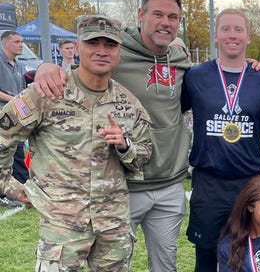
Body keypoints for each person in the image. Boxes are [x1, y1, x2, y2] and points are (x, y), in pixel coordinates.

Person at [34, 0, 191, 271]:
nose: (165, 22)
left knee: (165, 265)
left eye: (173, 17)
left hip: (169, 183)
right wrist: (46, 65)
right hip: (120, 187)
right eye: (157, 14)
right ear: (141, 14)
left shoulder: (180, 60)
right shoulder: (115, 50)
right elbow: (84, 63)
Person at [0, 14, 153, 271]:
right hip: (62, 228)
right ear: (78, 46)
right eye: (93, 43)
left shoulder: (128, 103)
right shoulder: (47, 93)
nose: (102, 51)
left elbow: (145, 152)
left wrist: (125, 146)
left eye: (110, 45)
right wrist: (13, 188)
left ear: (119, 52)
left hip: (112, 226)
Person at [182, 8, 260, 272]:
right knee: (206, 257)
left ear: (248, 37)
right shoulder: (195, 76)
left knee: (246, 258)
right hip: (208, 182)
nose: (231, 35)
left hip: (248, 183)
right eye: (226, 29)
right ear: (215, 36)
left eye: (238, 29)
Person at [0, 31, 28, 186]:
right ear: (5, 43)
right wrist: (13, 100)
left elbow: (22, 91)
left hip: (15, 115)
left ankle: (21, 184)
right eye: (17, 42)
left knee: (17, 151)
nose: (21, 45)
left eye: (21, 41)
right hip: (2, 115)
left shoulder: (18, 64)